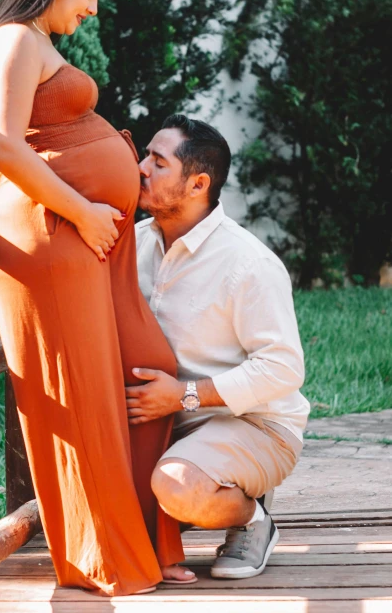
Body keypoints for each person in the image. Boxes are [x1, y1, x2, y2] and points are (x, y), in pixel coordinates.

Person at [0, 0, 196, 596]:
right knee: (84, 396)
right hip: (51, 233)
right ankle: (103, 556)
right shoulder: (14, 40)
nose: (92, 8)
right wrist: (80, 207)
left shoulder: (36, 42)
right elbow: (5, 146)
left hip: (87, 238)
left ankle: (146, 540)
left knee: (145, 366)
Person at [127, 114, 310, 579]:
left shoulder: (249, 263)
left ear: (197, 184)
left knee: (178, 486)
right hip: (163, 420)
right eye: (145, 155)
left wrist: (185, 395)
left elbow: (282, 369)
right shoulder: (131, 243)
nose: (141, 168)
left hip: (255, 424)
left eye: (158, 161)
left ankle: (254, 520)